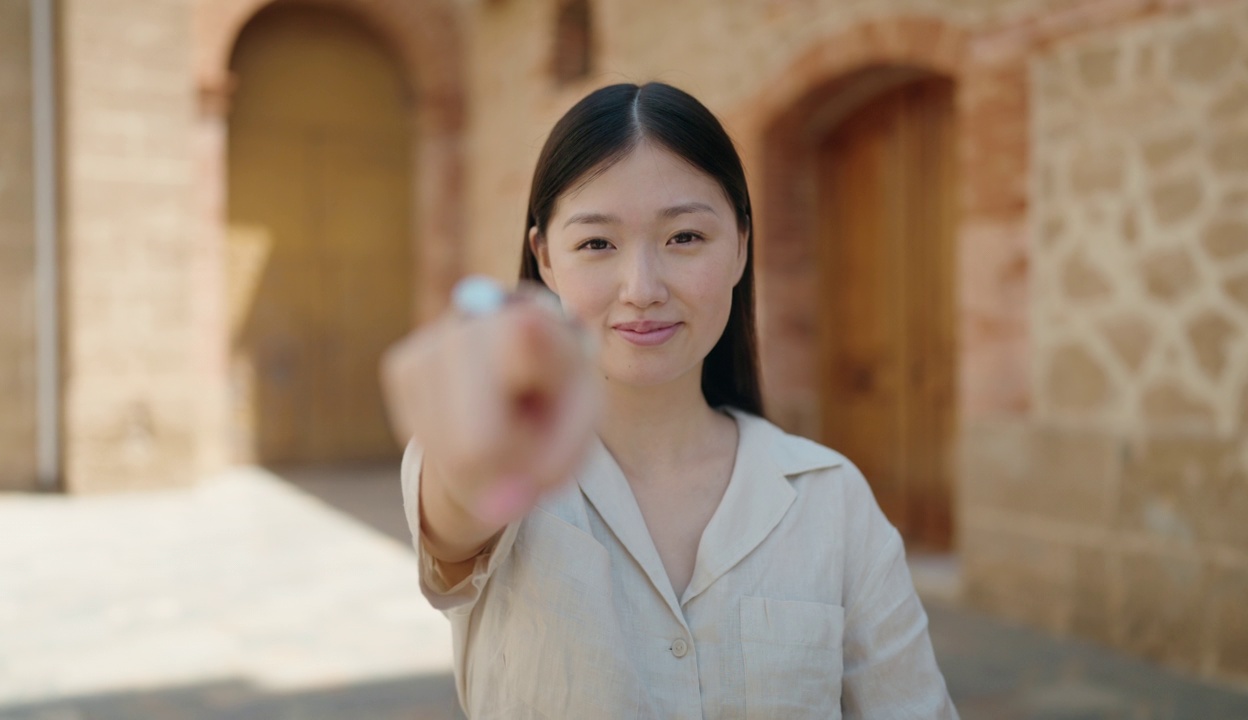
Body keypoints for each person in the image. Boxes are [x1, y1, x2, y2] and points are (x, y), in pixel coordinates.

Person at [382, 82, 958, 719]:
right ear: (544, 259)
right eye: (597, 243)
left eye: (684, 237)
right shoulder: (501, 454)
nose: (642, 288)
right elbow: (459, 508)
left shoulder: (833, 500)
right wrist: (473, 459)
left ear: (740, 244)